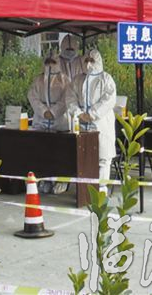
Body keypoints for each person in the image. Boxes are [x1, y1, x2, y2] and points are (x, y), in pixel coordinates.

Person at [66, 49, 117, 194]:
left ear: (98, 61)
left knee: (103, 156)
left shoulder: (106, 78)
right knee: (83, 155)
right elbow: (70, 98)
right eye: (86, 60)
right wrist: (79, 113)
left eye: (92, 60)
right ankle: (84, 190)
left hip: (101, 123)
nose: (88, 64)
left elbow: (109, 99)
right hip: (82, 122)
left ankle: (101, 188)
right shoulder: (77, 80)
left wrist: (93, 114)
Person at [28, 53, 70, 194]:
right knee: (42, 154)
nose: (50, 64)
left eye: (53, 62)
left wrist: (53, 112)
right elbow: (32, 96)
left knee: (60, 154)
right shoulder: (38, 79)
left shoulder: (64, 80)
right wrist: (43, 111)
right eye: (47, 61)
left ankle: (61, 180)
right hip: (41, 123)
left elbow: (66, 98)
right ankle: (45, 179)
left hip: (60, 123)